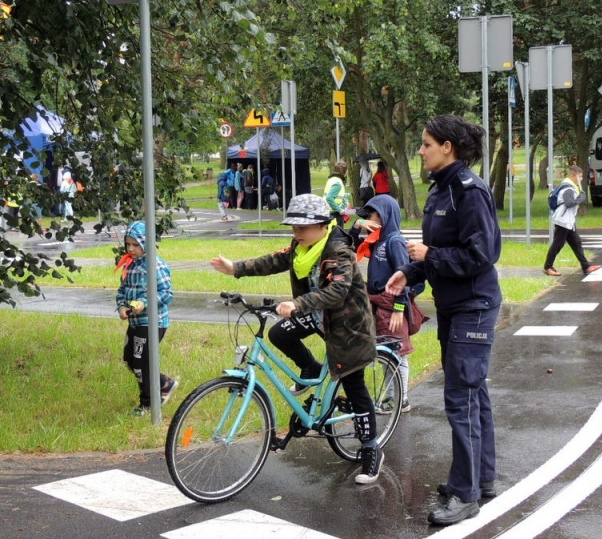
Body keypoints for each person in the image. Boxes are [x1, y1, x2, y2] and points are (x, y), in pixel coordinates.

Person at [209, 194, 384, 484]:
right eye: (293, 227)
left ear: (321, 225)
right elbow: (273, 260)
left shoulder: (339, 251)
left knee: (354, 385)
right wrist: (235, 268)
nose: (296, 233)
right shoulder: (300, 248)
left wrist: (298, 304)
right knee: (279, 333)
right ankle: (311, 369)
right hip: (319, 316)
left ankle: (370, 450)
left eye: (302, 227)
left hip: (347, 327)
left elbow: (337, 292)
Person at [386, 114, 502, 526]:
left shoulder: (469, 192)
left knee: (462, 398)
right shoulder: (441, 190)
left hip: (474, 305)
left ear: (447, 147)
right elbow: (437, 249)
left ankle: (465, 494)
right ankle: (481, 479)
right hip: (453, 305)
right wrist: (410, 273)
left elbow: (481, 255)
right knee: (473, 394)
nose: (421, 150)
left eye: (426, 144)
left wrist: (428, 257)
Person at [350, 195, 418, 414]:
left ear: (385, 215)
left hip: (392, 305)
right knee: (385, 352)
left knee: (397, 352)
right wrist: (357, 225)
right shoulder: (376, 239)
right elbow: (348, 245)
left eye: (373, 214)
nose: (370, 218)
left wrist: (399, 308)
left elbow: (405, 275)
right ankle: (390, 396)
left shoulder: (394, 241)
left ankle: (401, 399)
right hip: (377, 303)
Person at [115, 220, 179, 417]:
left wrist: (145, 302)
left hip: (153, 322)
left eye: (136, 245)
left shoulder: (156, 265)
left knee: (140, 362)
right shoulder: (129, 264)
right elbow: (123, 290)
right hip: (135, 321)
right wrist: (122, 306)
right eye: (128, 244)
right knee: (129, 359)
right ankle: (164, 383)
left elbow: (167, 292)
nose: (131, 249)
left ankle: (148, 403)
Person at [543, 164, 601, 277]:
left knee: (576, 243)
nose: (582, 179)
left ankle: (586, 266)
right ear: (573, 176)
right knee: (557, 244)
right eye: (580, 176)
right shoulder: (568, 188)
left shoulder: (569, 186)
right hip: (563, 221)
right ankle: (548, 267)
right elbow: (569, 203)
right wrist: (581, 198)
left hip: (568, 221)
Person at [325, 160, 350, 228]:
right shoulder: (338, 183)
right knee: (337, 235)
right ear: (344, 172)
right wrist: (339, 210)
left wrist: (345, 201)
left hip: (329, 212)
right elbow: (329, 198)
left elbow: (338, 195)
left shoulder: (332, 180)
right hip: (335, 213)